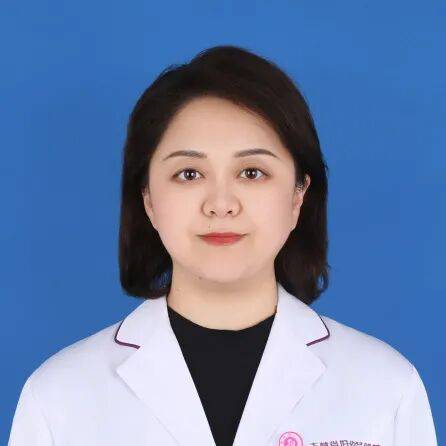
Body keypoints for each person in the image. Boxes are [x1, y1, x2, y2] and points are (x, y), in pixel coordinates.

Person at [8, 45, 437, 446]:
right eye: (189, 174)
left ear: (298, 196)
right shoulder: (58, 398)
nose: (221, 204)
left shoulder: (385, 388)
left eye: (252, 172)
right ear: (149, 200)